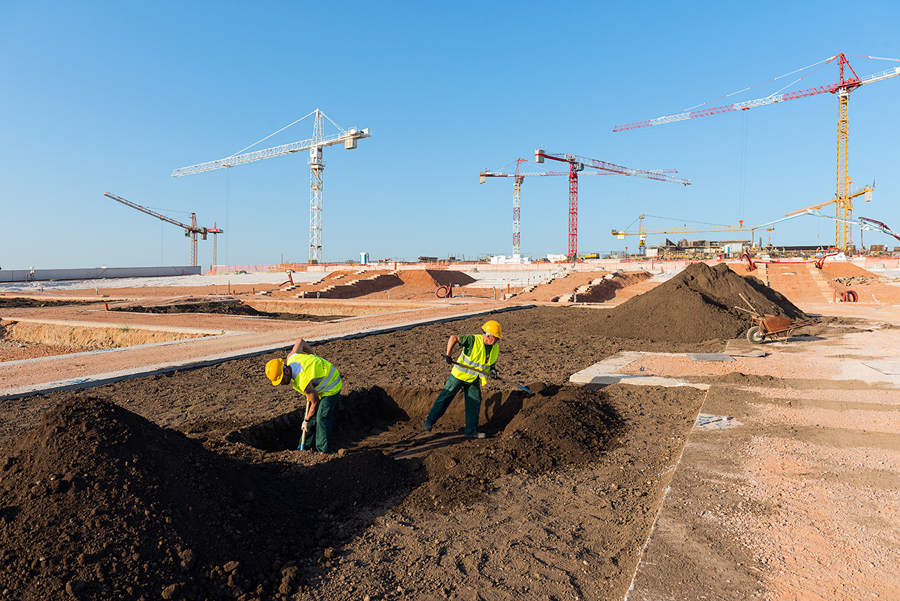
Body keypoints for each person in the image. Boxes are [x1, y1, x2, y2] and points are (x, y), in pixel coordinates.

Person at [424, 320, 502, 439]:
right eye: (496, 337)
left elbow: (491, 359)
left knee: (474, 402)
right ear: (488, 335)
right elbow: (453, 338)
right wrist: (448, 355)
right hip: (458, 376)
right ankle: (429, 420)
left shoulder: (494, 347)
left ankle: (471, 431)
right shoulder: (473, 340)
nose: (497, 340)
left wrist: (493, 370)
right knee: (445, 397)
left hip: (474, 379)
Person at [265, 338, 342, 453]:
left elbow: (315, 402)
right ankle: (304, 449)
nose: (281, 383)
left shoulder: (302, 380)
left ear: (286, 371)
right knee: (311, 416)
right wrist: (312, 354)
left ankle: (324, 452)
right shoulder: (292, 357)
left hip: (331, 384)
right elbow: (300, 341)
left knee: (321, 417)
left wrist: (306, 420)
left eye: (281, 380)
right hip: (319, 381)